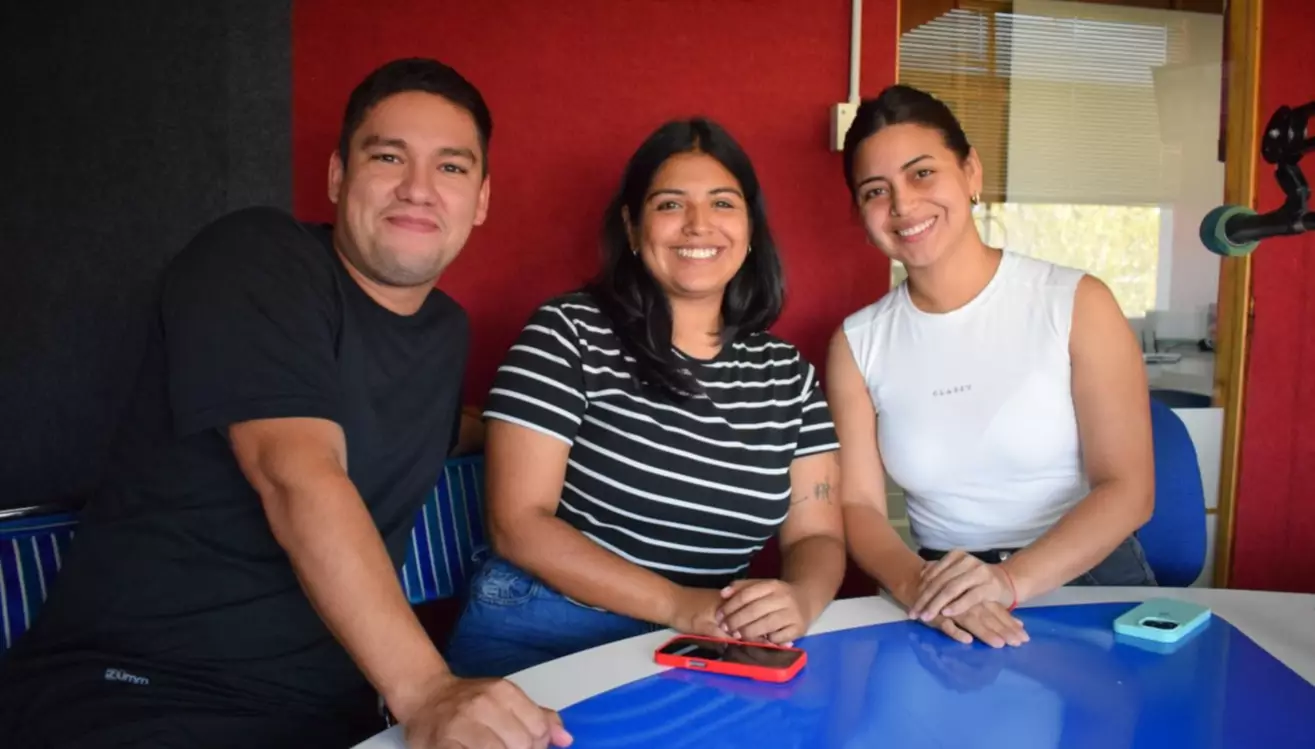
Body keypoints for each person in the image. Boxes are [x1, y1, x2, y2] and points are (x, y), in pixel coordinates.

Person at [0, 58, 570, 749]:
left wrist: (518, 433)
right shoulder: (256, 257)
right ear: (337, 176)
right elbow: (295, 471)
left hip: (330, 709)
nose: (418, 188)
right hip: (145, 688)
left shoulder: (445, 331)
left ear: (480, 199)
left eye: (450, 167)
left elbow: (420, 425)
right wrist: (426, 688)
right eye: (388, 156)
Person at [443, 118, 846, 678]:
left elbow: (817, 533)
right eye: (670, 204)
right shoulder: (568, 333)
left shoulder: (787, 374)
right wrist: (679, 604)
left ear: (750, 228)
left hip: (699, 643)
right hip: (547, 627)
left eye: (723, 203)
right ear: (632, 229)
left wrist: (801, 597)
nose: (698, 224)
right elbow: (518, 523)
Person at [828, 85, 1157, 649]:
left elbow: (1129, 488)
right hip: (941, 591)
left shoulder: (1075, 302)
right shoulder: (857, 343)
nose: (902, 205)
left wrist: (1007, 582)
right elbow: (859, 505)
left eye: (922, 173)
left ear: (971, 172)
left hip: (1086, 577)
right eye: (876, 191)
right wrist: (919, 586)